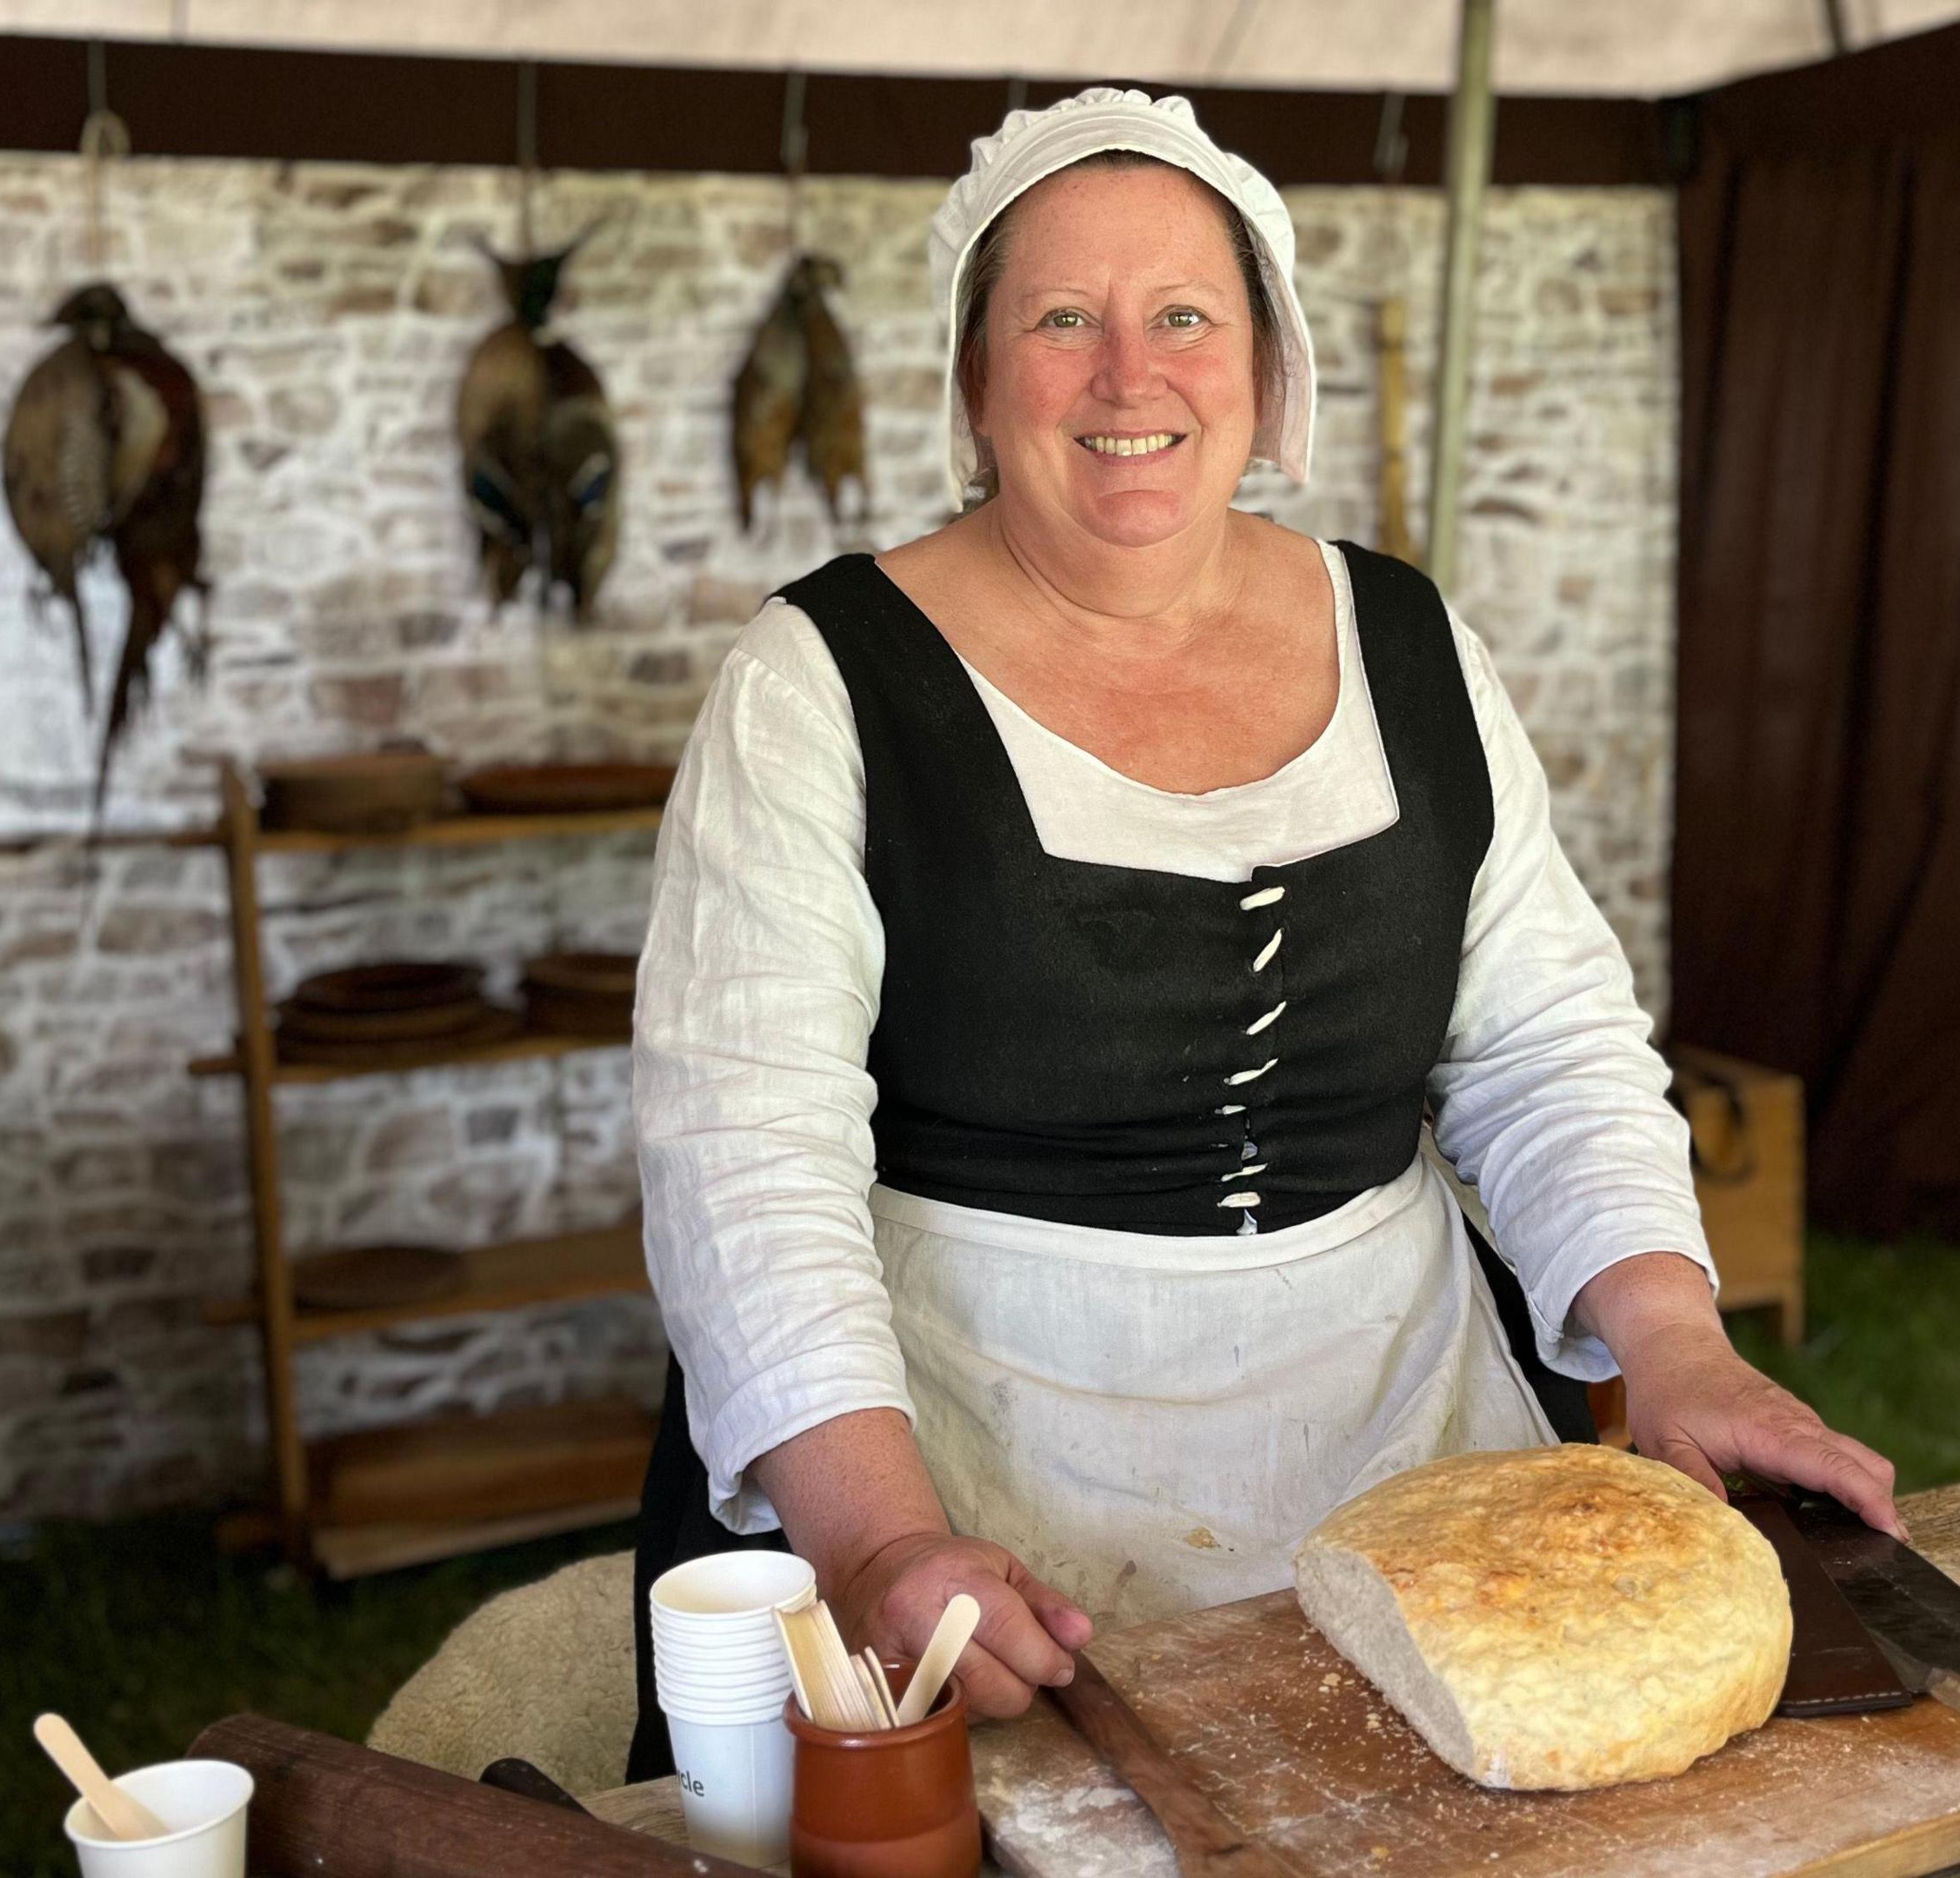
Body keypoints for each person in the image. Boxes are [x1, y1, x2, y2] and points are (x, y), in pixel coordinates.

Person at [625, 89, 1895, 1778]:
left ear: (1267, 365)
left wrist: (1673, 1345)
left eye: (1185, 319)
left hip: (1405, 1437)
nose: (1128, 377)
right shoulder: (819, 683)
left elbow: (1543, 1039)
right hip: (972, 1471)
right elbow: (745, 1153)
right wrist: (872, 1546)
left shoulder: (1410, 637)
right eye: (1062, 318)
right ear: (977, 380)